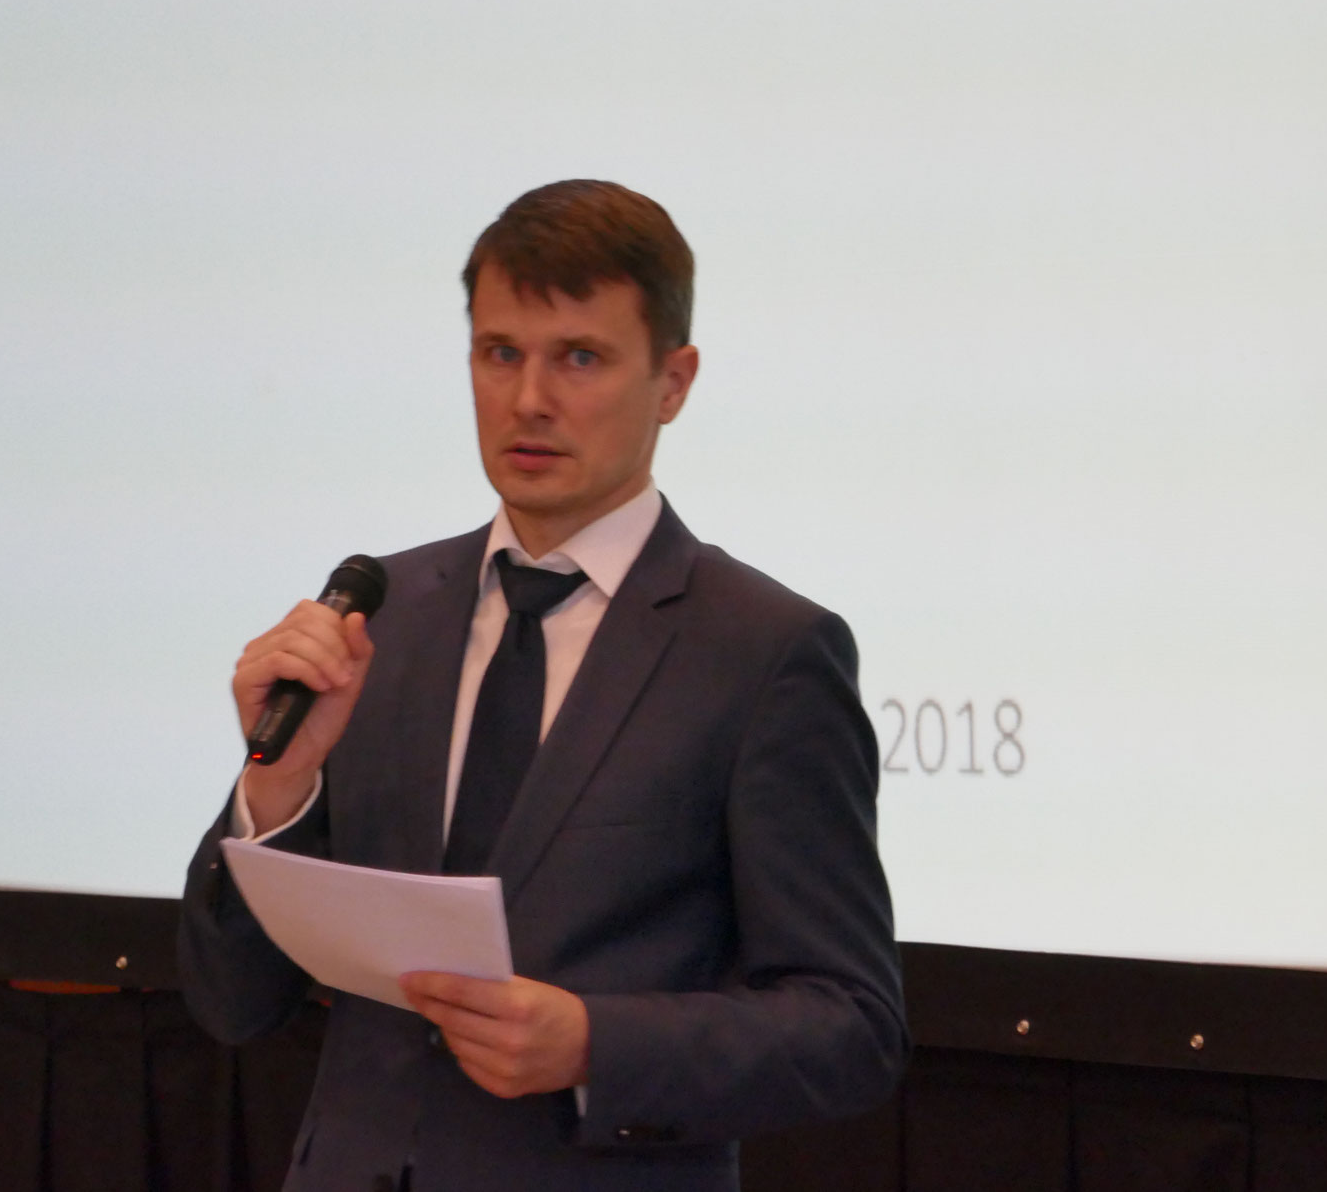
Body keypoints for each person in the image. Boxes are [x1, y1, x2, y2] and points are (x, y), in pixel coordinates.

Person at [179, 180, 906, 1192]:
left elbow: (849, 1025)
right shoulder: (377, 619)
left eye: (579, 358)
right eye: (499, 353)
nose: (528, 399)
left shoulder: (764, 651)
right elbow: (231, 1001)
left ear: (673, 381)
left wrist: (594, 1045)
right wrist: (277, 790)